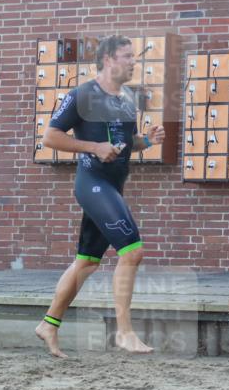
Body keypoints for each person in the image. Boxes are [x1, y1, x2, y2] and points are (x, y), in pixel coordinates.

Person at [34, 35, 165, 358]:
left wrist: (145, 142)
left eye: (133, 56)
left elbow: (124, 142)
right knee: (132, 252)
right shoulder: (82, 94)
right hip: (92, 183)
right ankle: (124, 332)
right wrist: (93, 147)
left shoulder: (126, 99)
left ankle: (49, 324)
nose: (133, 61)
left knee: (87, 261)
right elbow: (50, 136)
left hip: (112, 185)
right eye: (126, 56)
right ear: (107, 59)